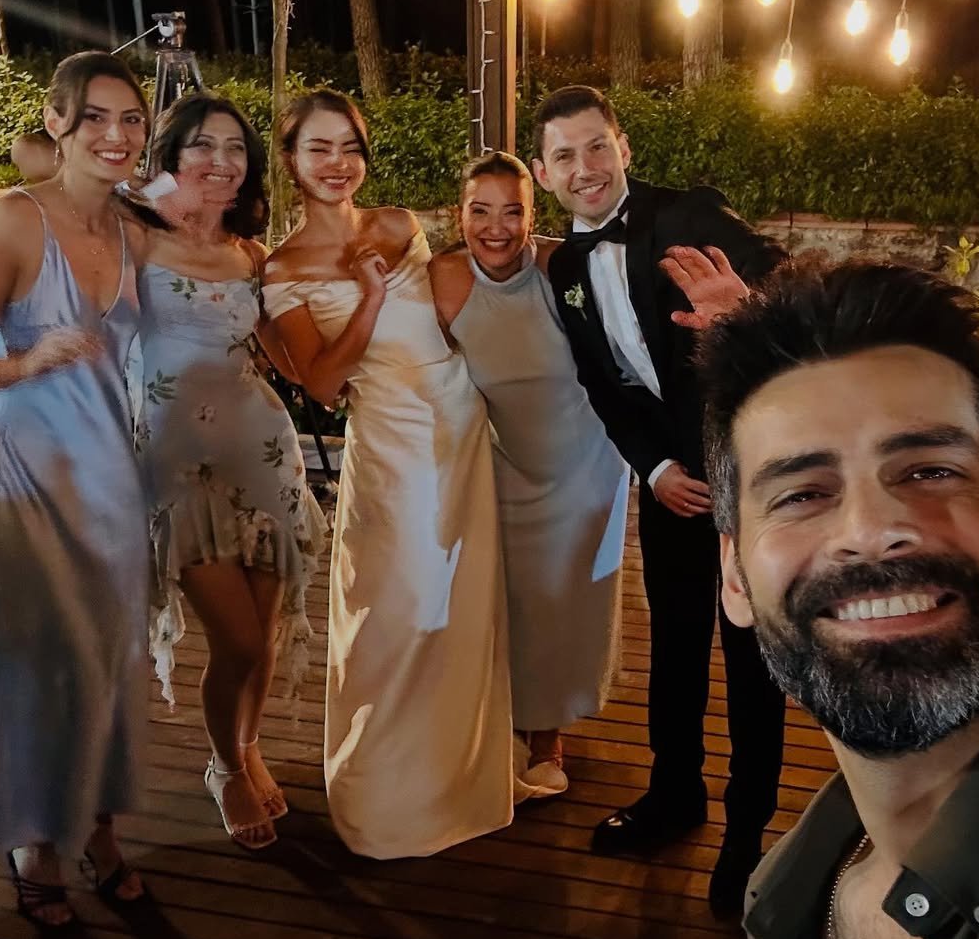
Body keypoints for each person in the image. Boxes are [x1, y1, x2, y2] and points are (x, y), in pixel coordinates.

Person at [696, 261, 979, 939]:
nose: (872, 529)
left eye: (931, 470)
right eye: (802, 492)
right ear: (734, 576)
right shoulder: (785, 901)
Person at [531, 84, 786, 917]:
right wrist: (653, 466)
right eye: (565, 155)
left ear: (623, 148)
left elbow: (788, 284)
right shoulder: (565, 267)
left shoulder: (688, 215)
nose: (585, 167)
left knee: (752, 661)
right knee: (675, 648)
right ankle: (675, 793)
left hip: (747, 480)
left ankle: (747, 832)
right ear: (543, 173)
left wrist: (751, 308)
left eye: (596, 146)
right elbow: (604, 385)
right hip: (673, 484)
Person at [262, 88, 513, 859]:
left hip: (462, 427)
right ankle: (384, 800)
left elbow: (451, 316)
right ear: (291, 159)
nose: (338, 163)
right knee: (394, 613)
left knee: (461, 607)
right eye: (319, 148)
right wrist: (369, 298)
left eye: (350, 147)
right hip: (391, 449)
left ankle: (458, 782)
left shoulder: (401, 224)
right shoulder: (284, 267)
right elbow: (322, 383)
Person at [0, 52, 152, 927]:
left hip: (111, 480)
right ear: (58, 121)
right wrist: (25, 362)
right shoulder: (14, 222)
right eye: (95, 117)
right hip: (28, 478)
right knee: (37, 666)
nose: (116, 135)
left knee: (108, 663)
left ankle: (97, 828)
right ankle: (34, 840)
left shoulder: (134, 228)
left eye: (131, 119)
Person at [130, 93, 327, 850]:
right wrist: (160, 190)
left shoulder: (251, 256)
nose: (221, 160)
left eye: (235, 148)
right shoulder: (135, 237)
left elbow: (293, 362)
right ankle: (223, 765)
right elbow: (84, 190)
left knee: (263, 637)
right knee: (237, 642)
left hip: (263, 454)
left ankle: (246, 749)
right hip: (179, 468)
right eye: (202, 145)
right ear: (172, 155)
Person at [429, 152, 628, 792]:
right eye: (480, 211)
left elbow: (626, 337)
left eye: (512, 212)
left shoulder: (558, 267)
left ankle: (548, 732)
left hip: (586, 462)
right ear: (459, 213)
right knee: (511, 598)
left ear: (532, 215)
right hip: (504, 460)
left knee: (566, 599)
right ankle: (504, 716)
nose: (497, 228)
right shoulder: (442, 279)